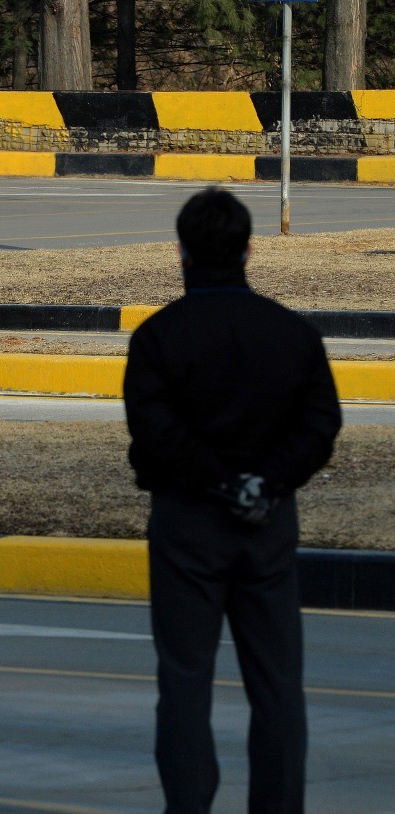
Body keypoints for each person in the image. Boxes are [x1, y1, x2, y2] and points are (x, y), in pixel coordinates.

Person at [123, 187, 342, 814]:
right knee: (277, 687)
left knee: (186, 681)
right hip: (268, 525)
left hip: (187, 522)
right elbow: (319, 424)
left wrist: (218, 482)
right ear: (249, 249)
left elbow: (156, 435)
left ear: (182, 252)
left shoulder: (158, 337)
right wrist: (264, 483)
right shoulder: (292, 333)